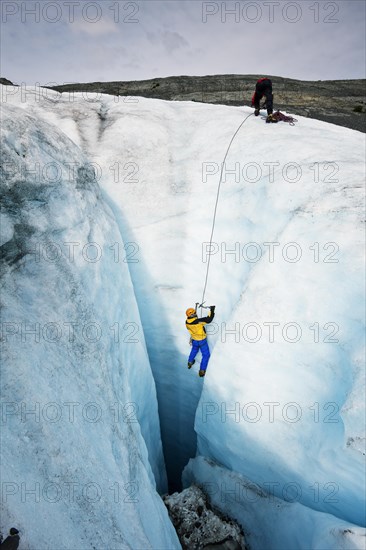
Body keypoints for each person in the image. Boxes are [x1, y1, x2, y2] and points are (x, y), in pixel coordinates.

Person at [186, 305, 215, 377]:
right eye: (194, 312)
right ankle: (202, 370)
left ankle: (190, 362)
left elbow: (194, 322)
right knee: (206, 355)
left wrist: (195, 318)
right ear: (193, 314)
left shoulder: (187, 322)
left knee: (194, 350)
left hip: (194, 340)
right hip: (202, 341)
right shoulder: (198, 321)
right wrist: (212, 310)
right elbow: (208, 319)